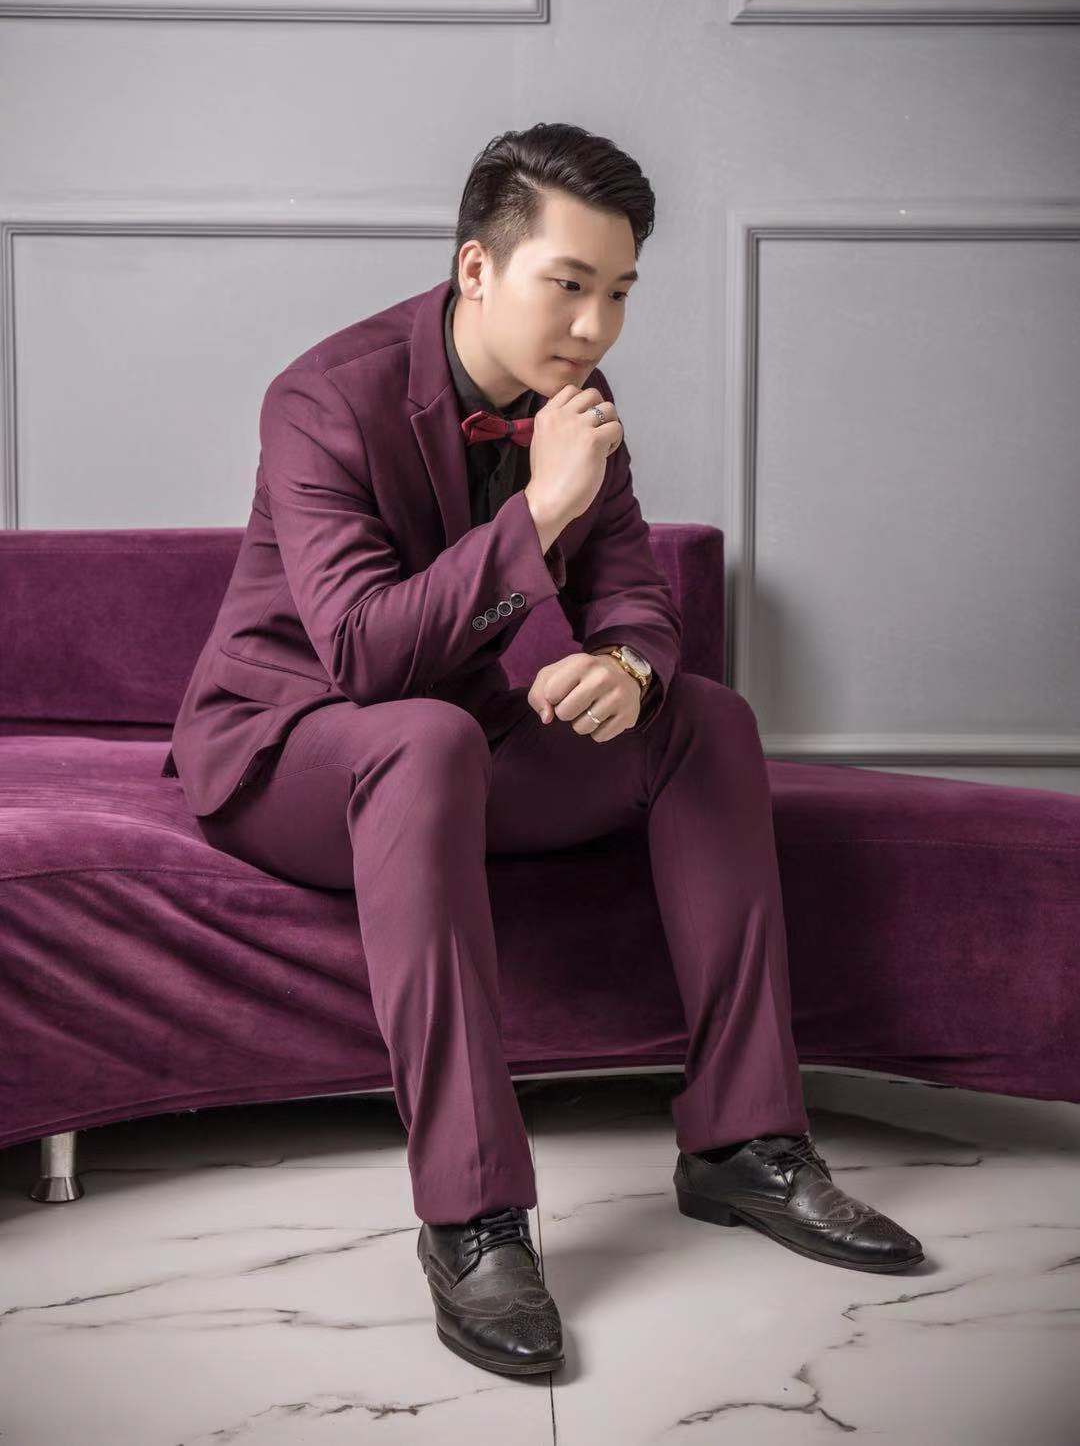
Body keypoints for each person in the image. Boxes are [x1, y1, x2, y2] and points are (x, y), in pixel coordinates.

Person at [163, 122, 924, 1381]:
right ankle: (472, 1218)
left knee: (707, 720)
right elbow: (361, 654)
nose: (594, 326)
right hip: (286, 748)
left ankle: (744, 1142)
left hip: (454, 742)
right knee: (422, 738)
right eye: (568, 285)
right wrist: (542, 509)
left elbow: (635, 598)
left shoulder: (580, 404)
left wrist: (627, 668)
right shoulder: (321, 398)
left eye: (619, 292)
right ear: (477, 268)